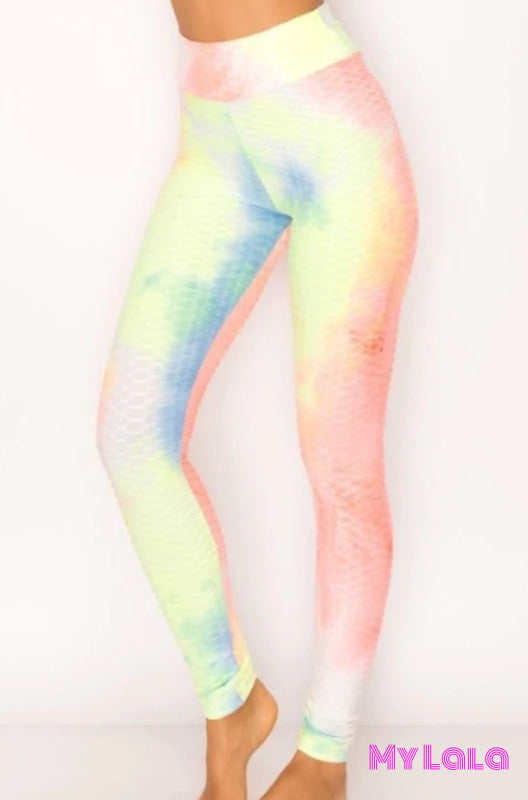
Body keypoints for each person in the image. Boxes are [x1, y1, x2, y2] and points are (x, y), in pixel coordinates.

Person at [95, 1, 420, 797]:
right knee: (129, 436)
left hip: (331, 133)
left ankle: (324, 757)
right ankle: (231, 704)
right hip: (213, 135)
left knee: (342, 470)